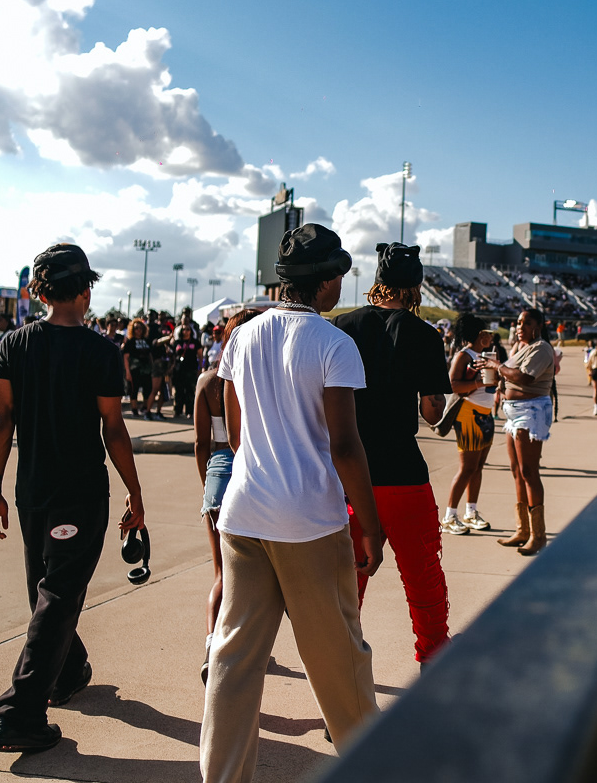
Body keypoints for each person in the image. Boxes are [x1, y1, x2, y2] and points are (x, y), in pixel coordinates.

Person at [201, 225, 383, 783]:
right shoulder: (333, 343)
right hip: (309, 521)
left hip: (244, 513)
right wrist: (371, 524)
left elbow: (235, 434)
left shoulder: (242, 337)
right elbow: (345, 445)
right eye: (340, 275)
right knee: (338, 661)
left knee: (233, 659)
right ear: (325, 280)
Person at [0, 244, 145, 753]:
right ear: (86, 290)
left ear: (39, 292)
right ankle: (19, 714)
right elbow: (113, 427)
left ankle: (68, 670)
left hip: (31, 492)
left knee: (47, 592)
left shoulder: (12, 345)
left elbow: (1, 422)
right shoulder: (100, 352)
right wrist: (134, 490)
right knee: (57, 596)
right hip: (79, 494)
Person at [334, 242, 454, 664]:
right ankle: (432, 657)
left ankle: (342, 674)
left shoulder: (343, 327)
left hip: (351, 474)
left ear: (378, 282)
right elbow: (432, 411)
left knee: (348, 583)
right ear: (414, 287)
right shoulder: (425, 335)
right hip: (403, 474)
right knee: (423, 579)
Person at [194, 308, 257, 684]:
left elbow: (201, 443)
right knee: (254, 575)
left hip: (219, 471)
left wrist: (208, 484)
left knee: (221, 573)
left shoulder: (208, 381)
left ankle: (211, 647)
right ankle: (246, 648)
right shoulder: (260, 377)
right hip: (255, 473)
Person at [489, 307, 557, 556]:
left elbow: (526, 377)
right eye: (518, 323)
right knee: (517, 471)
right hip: (514, 412)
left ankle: (538, 535)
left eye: (526, 323)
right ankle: (523, 529)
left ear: (538, 326)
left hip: (532, 411)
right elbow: (510, 376)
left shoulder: (542, 348)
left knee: (529, 471)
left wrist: (497, 366)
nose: (520, 327)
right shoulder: (521, 348)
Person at [443, 313, 497, 534]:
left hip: (486, 414)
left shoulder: (483, 355)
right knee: (466, 468)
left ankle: (471, 512)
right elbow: (453, 385)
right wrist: (479, 382)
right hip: (468, 414)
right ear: (480, 334)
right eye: (488, 332)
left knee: (478, 467)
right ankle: (449, 516)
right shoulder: (463, 355)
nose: (491, 336)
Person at [168, 320, 202, 419]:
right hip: (179, 370)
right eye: (184, 330)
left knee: (190, 391)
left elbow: (200, 356)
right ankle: (177, 410)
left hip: (191, 369)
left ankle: (189, 411)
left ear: (191, 331)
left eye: (188, 330)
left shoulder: (195, 342)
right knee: (179, 391)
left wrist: (200, 368)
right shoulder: (177, 342)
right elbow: (173, 356)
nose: (186, 331)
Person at [121, 319, 154, 418]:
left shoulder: (147, 341)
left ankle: (145, 407)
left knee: (147, 389)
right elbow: (126, 357)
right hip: (134, 369)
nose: (138, 330)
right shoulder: (130, 342)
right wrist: (127, 371)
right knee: (133, 390)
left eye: (140, 328)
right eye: (136, 328)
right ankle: (134, 409)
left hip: (147, 369)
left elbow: (150, 355)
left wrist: (152, 367)